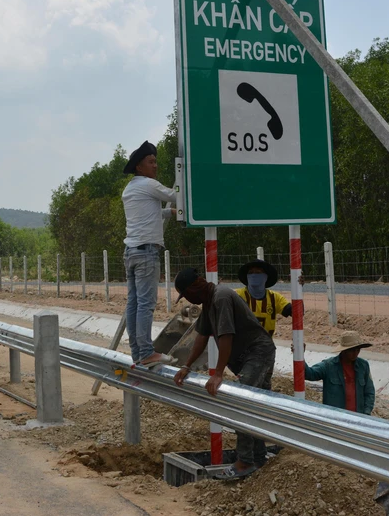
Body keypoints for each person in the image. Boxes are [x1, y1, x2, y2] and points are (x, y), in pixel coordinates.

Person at [172, 268, 275, 480]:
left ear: (195, 287)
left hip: (257, 353)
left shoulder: (221, 297)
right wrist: (187, 366)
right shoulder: (210, 302)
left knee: (240, 402)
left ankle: (245, 461)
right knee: (252, 406)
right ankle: (258, 457)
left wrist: (218, 373)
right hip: (246, 357)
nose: (188, 300)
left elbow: (226, 335)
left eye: (186, 294)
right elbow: (201, 336)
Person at [121, 140, 176, 367]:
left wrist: (169, 213)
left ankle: (138, 352)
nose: (155, 166)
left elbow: (149, 214)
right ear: (139, 167)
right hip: (146, 253)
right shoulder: (149, 185)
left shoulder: (131, 188)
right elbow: (175, 195)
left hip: (131, 252)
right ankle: (146, 352)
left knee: (134, 304)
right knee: (145, 304)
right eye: (151, 162)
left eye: (156, 162)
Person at [303, 331, 375, 415]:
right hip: (335, 418)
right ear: (344, 350)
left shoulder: (363, 366)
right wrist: (299, 355)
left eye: (358, 349)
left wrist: (366, 413)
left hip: (357, 419)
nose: (356, 353)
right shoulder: (329, 366)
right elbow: (309, 374)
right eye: (352, 350)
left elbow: (369, 392)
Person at [233, 259, 292, 338]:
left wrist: (297, 288)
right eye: (250, 272)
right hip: (243, 348)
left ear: (266, 277)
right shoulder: (237, 296)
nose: (253, 275)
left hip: (266, 348)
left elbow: (296, 311)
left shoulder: (274, 298)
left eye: (258, 272)